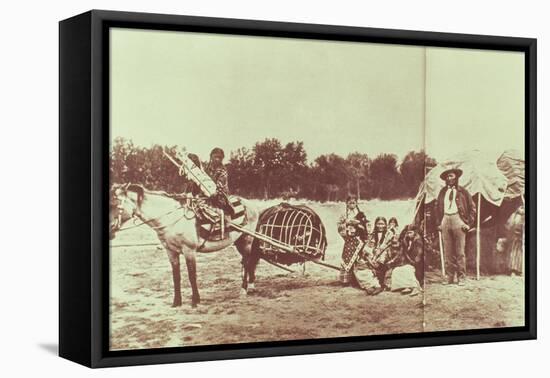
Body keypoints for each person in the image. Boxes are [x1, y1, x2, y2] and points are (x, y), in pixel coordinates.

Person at [435, 168, 475, 286]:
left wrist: (468, 224)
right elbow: (437, 208)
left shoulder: (463, 191)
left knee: (460, 251)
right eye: (447, 177)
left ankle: (461, 277)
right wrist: (439, 222)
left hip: (459, 220)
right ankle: (449, 277)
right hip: (445, 219)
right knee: (448, 251)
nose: (449, 178)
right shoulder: (442, 192)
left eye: (451, 176)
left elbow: (472, 208)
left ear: (456, 177)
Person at [338, 196, 369, 284]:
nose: (352, 204)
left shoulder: (361, 213)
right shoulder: (344, 215)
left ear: (356, 203)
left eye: (354, 202)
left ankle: (357, 279)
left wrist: (359, 224)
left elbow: (365, 225)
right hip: (349, 239)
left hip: (359, 239)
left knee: (358, 258)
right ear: (347, 203)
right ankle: (346, 280)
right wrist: (347, 223)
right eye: (350, 202)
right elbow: (339, 226)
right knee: (347, 257)